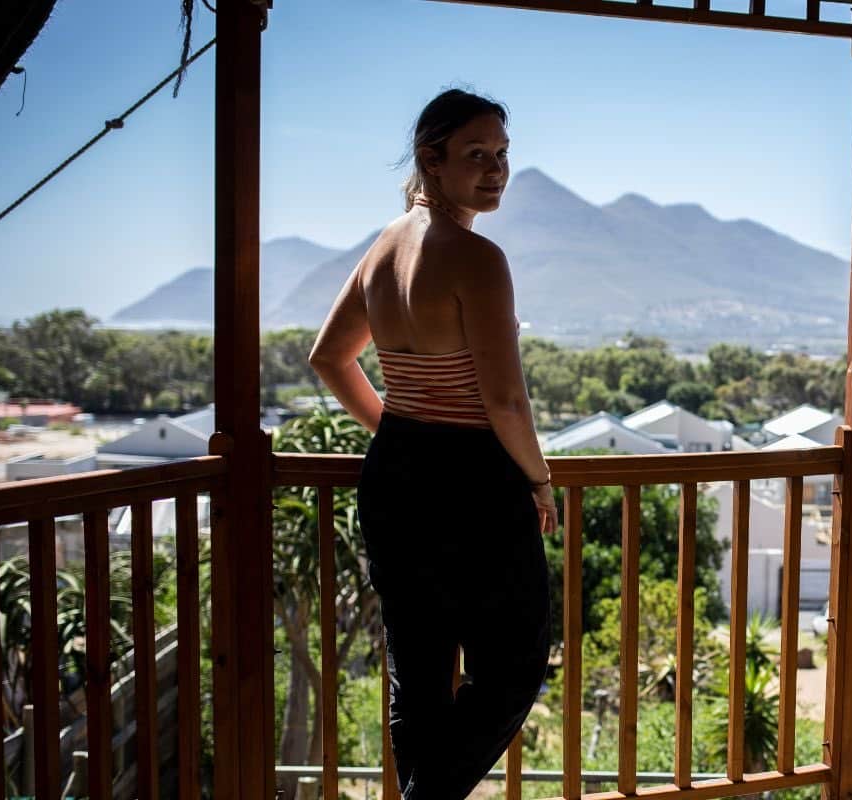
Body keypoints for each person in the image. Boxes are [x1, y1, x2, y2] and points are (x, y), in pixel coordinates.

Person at [308, 88, 554, 799]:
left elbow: (330, 357)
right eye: (477, 154)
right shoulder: (475, 257)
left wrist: (396, 426)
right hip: (474, 480)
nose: (496, 170)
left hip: (398, 472)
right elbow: (506, 400)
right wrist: (538, 479)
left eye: (503, 155)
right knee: (513, 666)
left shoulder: (384, 247)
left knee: (419, 671)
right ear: (432, 160)